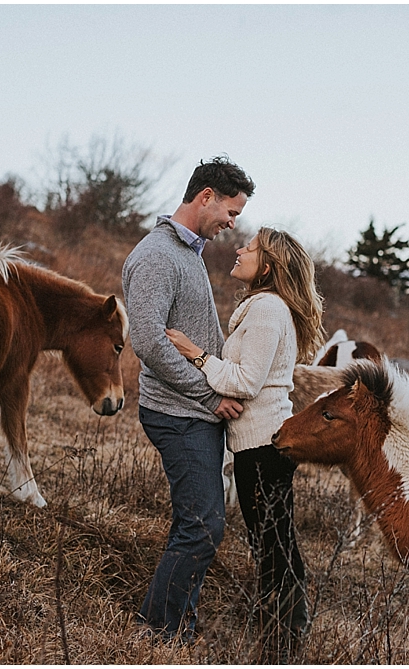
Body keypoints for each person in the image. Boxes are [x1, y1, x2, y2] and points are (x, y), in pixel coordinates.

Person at [166, 227, 326, 661]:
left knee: (273, 544)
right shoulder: (265, 307)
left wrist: (194, 353)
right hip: (260, 446)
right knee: (273, 541)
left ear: (268, 265)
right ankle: (283, 634)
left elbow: (245, 381)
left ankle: (284, 641)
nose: (239, 249)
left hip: (263, 448)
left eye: (250, 248)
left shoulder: (268, 310)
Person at [121, 156, 255, 641]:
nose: (232, 224)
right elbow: (149, 342)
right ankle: (156, 631)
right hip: (178, 413)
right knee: (201, 525)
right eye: (231, 212)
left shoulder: (188, 251)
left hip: (195, 411)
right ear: (206, 197)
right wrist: (209, 394)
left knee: (200, 523)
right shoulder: (158, 255)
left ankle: (177, 627)